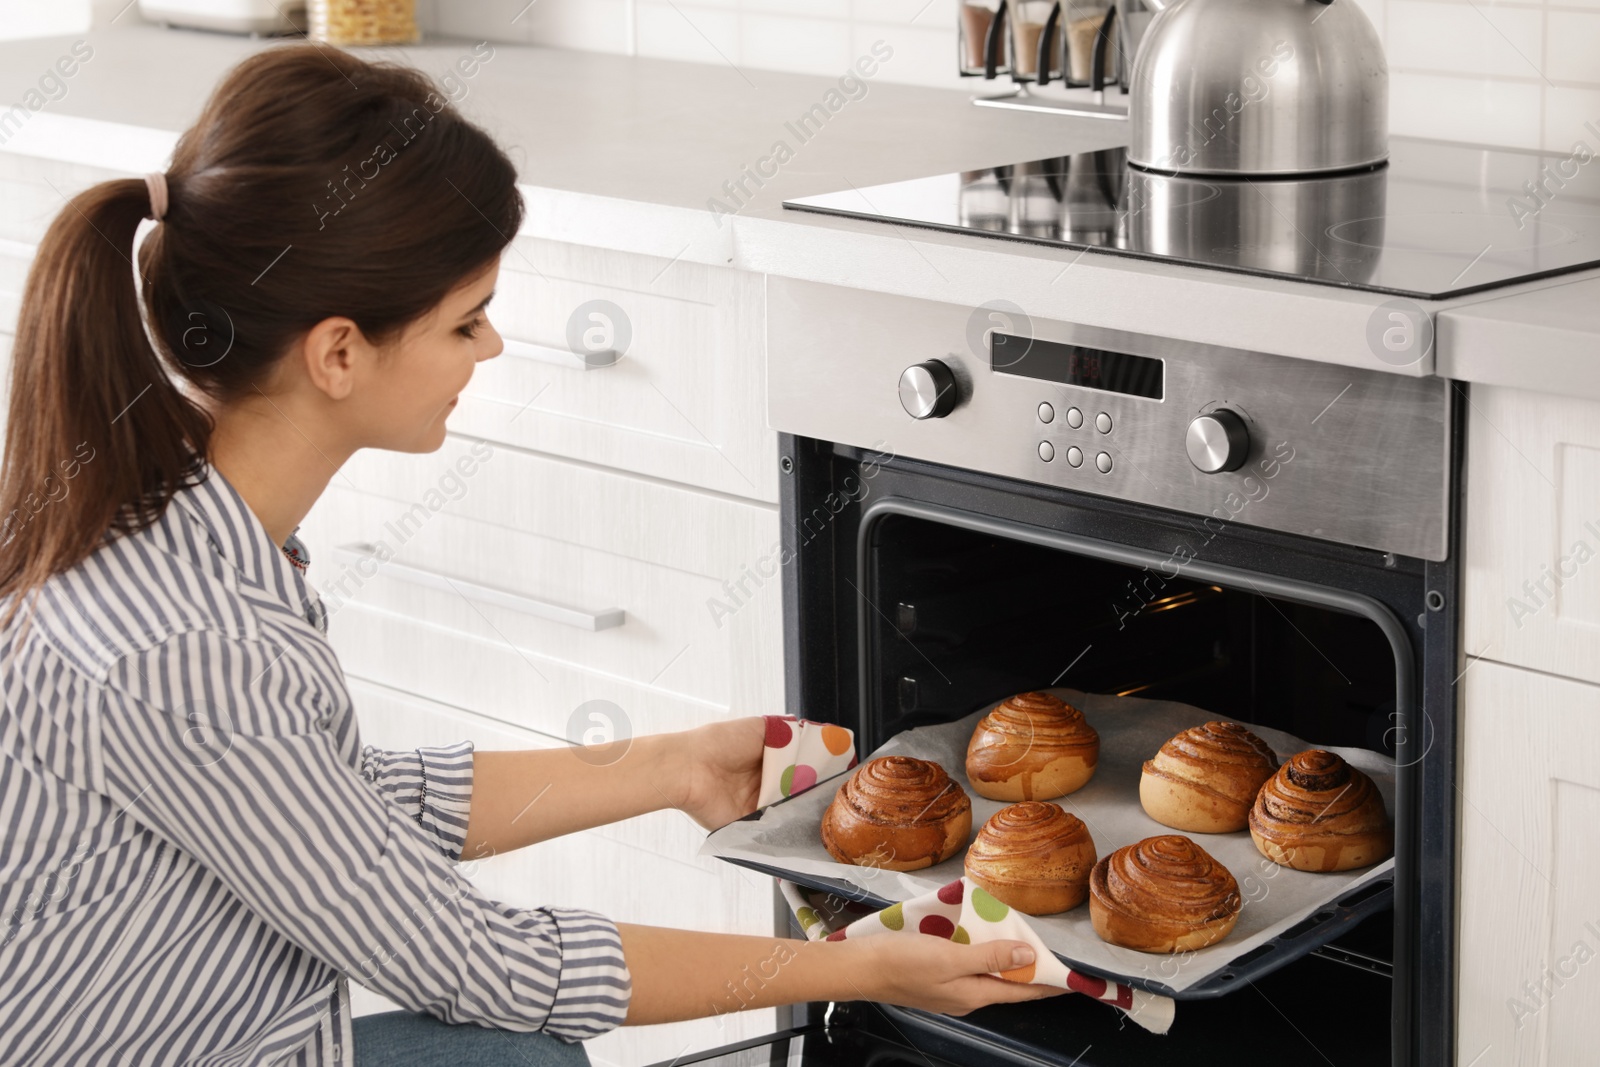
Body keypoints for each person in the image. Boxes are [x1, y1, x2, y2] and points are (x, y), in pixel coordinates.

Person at [0, 43, 1068, 1067]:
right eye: (468, 322)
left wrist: (667, 764)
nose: (492, 347)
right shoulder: (185, 639)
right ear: (337, 351)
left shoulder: (175, 528)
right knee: (516, 1051)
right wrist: (860, 968)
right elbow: (476, 962)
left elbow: (324, 805)